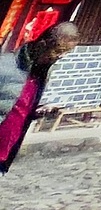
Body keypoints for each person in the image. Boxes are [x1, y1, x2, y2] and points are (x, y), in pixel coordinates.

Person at [0, 22, 80, 174]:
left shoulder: (41, 73)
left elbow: (17, 105)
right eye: (59, 51)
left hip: (5, 154)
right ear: (42, 45)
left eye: (66, 53)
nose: (61, 57)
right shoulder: (4, 66)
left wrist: (37, 111)